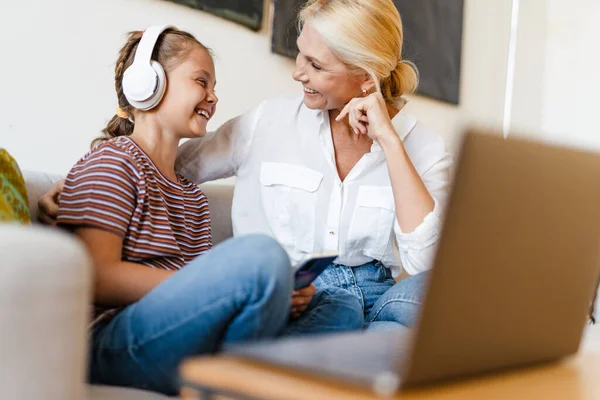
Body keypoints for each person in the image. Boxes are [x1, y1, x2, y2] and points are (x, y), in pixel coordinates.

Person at [40, 0, 453, 332]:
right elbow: (161, 164)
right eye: (300, 55)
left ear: (366, 77)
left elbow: (424, 264)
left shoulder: (425, 148)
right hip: (298, 294)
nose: (297, 73)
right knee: (339, 313)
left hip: (381, 296)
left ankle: (376, 351)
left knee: (434, 296)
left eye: (316, 65)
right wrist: (76, 186)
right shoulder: (267, 122)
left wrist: (389, 142)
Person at [54, 26, 362, 395]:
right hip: (115, 342)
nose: (213, 97)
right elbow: (96, 276)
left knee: (341, 306)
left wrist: (274, 294)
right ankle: (240, 377)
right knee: (262, 255)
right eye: (201, 81)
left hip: (185, 337)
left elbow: (201, 293)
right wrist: (208, 286)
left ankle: (229, 376)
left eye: (214, 86)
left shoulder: (190, 193)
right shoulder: (113, 161)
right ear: (147, 83)